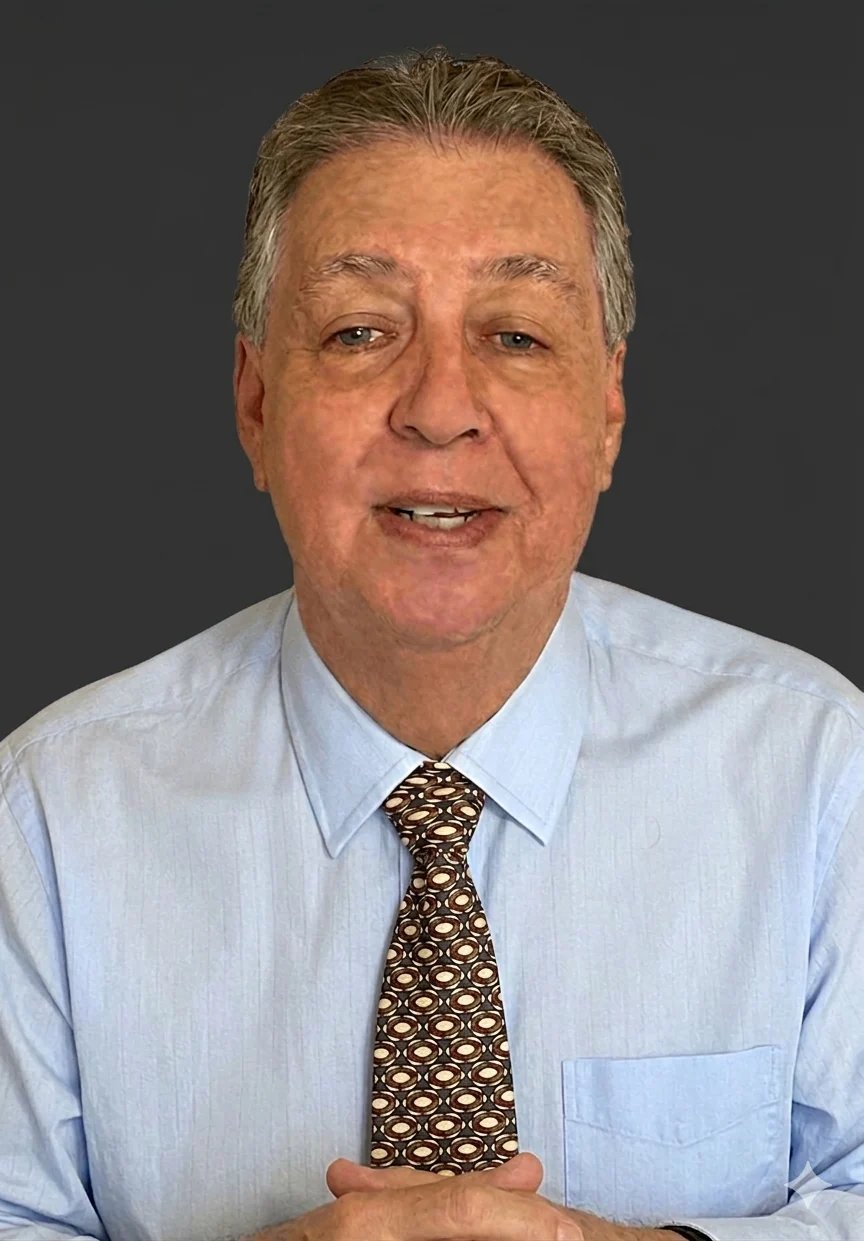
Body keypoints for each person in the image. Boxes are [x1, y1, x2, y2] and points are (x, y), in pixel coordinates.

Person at [0, 43, 861, 1241]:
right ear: (256, 404)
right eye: (359, 331)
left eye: (515, 334)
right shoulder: (46, 816)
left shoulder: (823, 775)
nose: (441, 406)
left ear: (607, 413)